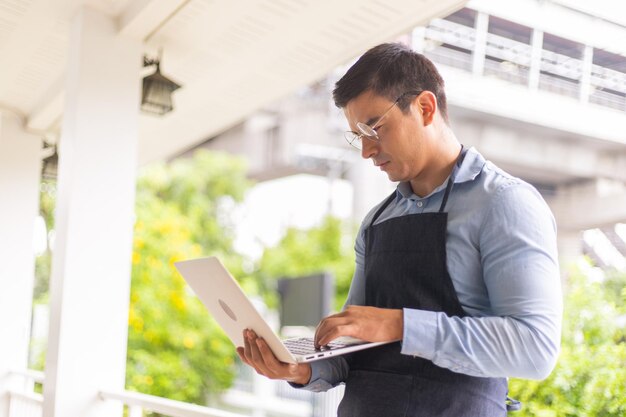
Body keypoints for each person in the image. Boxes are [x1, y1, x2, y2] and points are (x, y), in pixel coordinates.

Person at [237, 42, 562, 416]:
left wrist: (402, 324)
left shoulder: (504, 203)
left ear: (424, 108)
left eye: (374, 127)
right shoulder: (377, 221)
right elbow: (351, 349)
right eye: (357, 136)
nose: (366, 150)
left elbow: (535, 349)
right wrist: (301, 369)